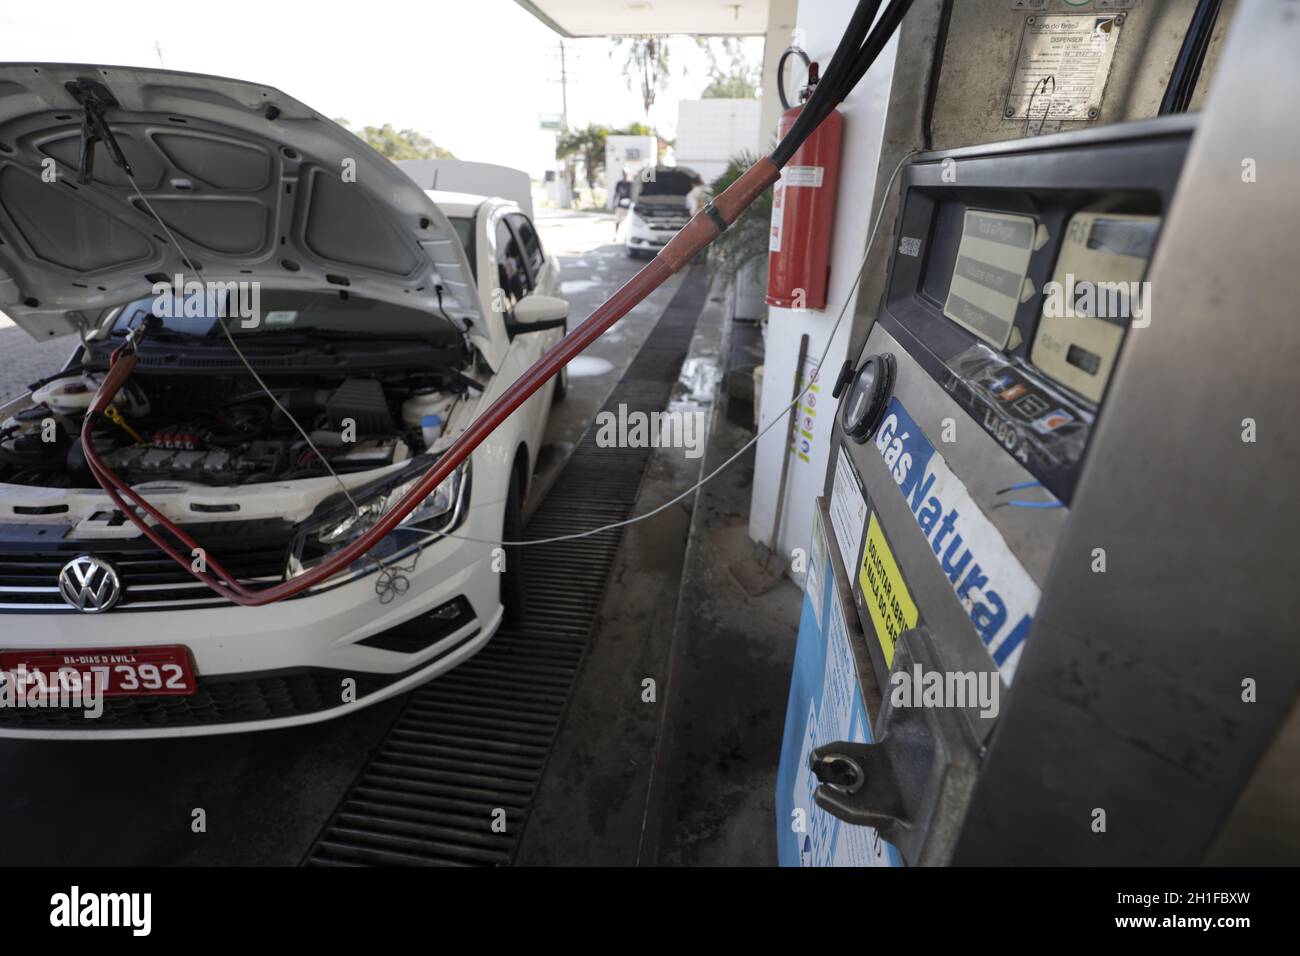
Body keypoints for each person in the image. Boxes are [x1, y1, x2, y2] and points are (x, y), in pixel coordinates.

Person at [612, 168, 633, 238]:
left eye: (626, 173)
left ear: (628, 174)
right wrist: (614, 204)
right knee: (617, 221)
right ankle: (615, 235)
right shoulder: (619, 183)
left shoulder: (630, 184)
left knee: (628, 223)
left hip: (628, 206)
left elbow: (633, 195)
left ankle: (626, 237)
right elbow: (616, 194)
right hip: (620, 205)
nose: (624, 174)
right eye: (623, 173)